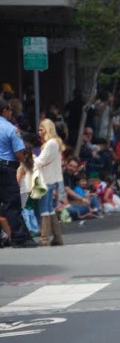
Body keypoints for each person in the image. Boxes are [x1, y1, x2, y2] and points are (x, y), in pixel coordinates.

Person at [0, 98, 37, 247]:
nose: (11, 113)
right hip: (6, 168)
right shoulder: (10, 129)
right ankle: (19, 237)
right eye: (9, 110)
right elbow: (19, 153)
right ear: (5, 111)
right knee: (12, 204)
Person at [33, 118, 65, 246]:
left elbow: (40, 161)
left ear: (47, 129)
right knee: (50, 208)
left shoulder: (51, 143)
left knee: (44, 209)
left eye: (41, 129)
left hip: (46, 179)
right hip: (53, 179)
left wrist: (31, 157)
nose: (39, 132)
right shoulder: (56, 142)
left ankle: (44, 238)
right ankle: (57, 237)